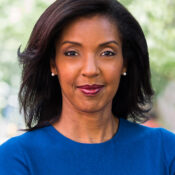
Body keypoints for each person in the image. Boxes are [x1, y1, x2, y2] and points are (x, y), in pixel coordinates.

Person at [0, 0, 175, 174]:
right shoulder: (16, 159)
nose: (90, 70)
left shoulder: (165, 151)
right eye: (72, 53)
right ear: (53, 64)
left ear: (125, 63)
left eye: (107, 53)